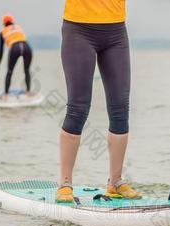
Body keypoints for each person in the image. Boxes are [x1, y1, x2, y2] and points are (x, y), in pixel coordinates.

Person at [56, 0, 141, 203]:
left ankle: (115, 182)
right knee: (78, 109)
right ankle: (65, 183)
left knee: (120, 109)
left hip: (116, 31)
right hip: (79, 29)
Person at [0, 14, 34, 100]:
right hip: (26, 46)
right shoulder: (18, 27)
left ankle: (6, 95)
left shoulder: (2, 32)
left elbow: (1, 49)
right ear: (12, 21)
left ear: (4, 23)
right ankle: (28, 92)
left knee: (9, 72)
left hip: (14, 48)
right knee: (26, 70)